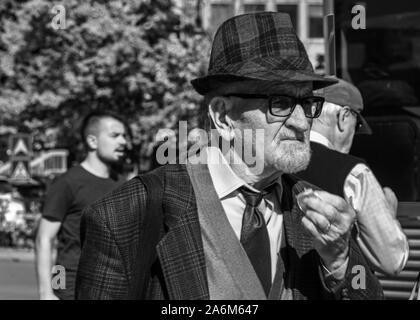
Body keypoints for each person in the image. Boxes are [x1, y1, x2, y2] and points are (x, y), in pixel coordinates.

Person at [76, 12, 383, 300]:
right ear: (223, 117)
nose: (302, 122)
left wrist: (340, 263)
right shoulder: (126, 215)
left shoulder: (316, 212)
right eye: (280, 102)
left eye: (307, 102)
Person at [297, 78, 409, 275]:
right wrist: (389, 217)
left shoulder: (278, 163)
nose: (354, 137)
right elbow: (393, 260)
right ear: (343, 116)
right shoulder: (353, 172)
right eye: (356, 126)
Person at [35, 111, 128, 300]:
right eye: (114, 135)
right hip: (70, 286)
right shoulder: (67, 182)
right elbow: (44, 239)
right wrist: (47, 292)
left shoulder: (122, 185)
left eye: (124, 136)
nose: (123, 142)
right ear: (92, 141)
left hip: (111, 287)